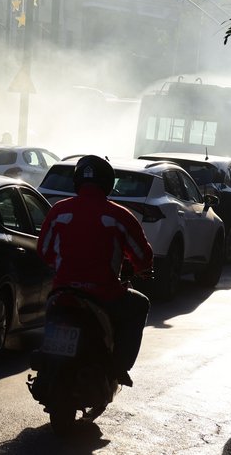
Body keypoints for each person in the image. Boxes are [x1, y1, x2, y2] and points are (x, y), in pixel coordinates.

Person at [36, 155, 153, 386]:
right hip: (105, 295)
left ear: (77, 180)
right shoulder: (120, 215)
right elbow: (143, 257)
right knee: (140, 304)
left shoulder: (58, 211)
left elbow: (44, 251)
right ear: (108, 182)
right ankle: (120, 366)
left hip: (62, 292)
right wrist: (141, 269)